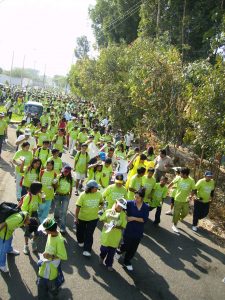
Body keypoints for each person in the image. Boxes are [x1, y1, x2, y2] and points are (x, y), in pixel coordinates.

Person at [117, 188, 149, 271]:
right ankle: (119, 251)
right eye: (135, 197)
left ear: (142, 198)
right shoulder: (130, 203)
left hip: (138, 231)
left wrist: (133, 218)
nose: (135, 199)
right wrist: (123, 215)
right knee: (125, 245)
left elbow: (144, 220)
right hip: (128, 229)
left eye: (137, 197)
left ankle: (127, 262)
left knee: (133, 248)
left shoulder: (146, 207)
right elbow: (118, 204)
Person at [37, 218, 67, 299]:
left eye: (45, 230)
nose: (45, 232)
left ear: (50, 231)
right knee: (41, 284)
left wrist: (51, 256)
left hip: (52, 268)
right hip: (45, 264)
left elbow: (63, 256)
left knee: (51, 285)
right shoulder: (51, 234)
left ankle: (54, 292)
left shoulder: (59, 240)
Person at [75, 180, 103, 257]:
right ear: (90, 188)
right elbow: (78, 207)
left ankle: (87, 249)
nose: (97, 189)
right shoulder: (83, 195)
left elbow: (101, 202)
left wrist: (101, 207)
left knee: (89, 234)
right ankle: (80, 241)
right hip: (82, 218)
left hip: (93, 218)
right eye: (95, 188)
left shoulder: (99, 194)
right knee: (80, 232)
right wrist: (76, 218)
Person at [99, 198, 127, 271]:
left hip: (115, 237)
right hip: (106, 235)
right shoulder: (108, 211)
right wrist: (105, 223)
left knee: (111, 253)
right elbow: (102, 219)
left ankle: (109, 264)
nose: (120, 208)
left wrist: (116, 226)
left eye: (122, 207)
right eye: (119, 206)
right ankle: (102, 256)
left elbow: (123, 226)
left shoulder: (124, 215)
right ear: (116, 203)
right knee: (103, 249)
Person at [21, 181, 43, 254]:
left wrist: (42, 196)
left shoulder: (37, 195)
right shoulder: (28, 196)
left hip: (35, 214)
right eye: (40, 189)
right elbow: (23, 208)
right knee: (27, 231)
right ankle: (26, 246)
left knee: (37, 231)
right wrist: (26, 218)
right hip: (28, 215)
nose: (41, 190)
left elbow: (42, 202)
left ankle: (33, 242)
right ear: (36, 189)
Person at [171, 167, 195, 233]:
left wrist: (191, 195)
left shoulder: (191, 180)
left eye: (181, 173)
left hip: (186, 200)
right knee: (176, 213)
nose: (180, 174)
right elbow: (172, 183)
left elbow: (193, 189)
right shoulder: (178, 178)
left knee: (185, 212)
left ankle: (178, 218)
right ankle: (174, 225)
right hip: (177, 199)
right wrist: (167, 188)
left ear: (185, 174)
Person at [54, 165, 73, 233]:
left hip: (66, 196)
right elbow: (55, 187)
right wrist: (55, 183)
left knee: (64, 212)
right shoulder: (59, 177)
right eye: (64, 171)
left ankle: (63, 228)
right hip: (58, 195)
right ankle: (56, 218)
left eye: (66, 172)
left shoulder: (71, 179)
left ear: (69, 172)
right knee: (57, 208)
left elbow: (71, 187)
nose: (65, 173)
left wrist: (70, 195)